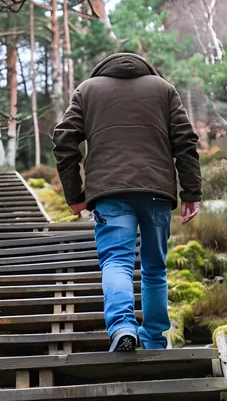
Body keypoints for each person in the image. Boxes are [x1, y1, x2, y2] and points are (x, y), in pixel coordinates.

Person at [53, 52, 201, 352]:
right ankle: (154, 340)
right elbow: (185, 141)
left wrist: (75, 196)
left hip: (110, 193)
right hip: (157, 191)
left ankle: (122, 327)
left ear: (101, 69)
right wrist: (191, 192)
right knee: (155, 268)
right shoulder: (164, 89)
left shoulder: (87, 91)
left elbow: (63, 140)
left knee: (117, 262)